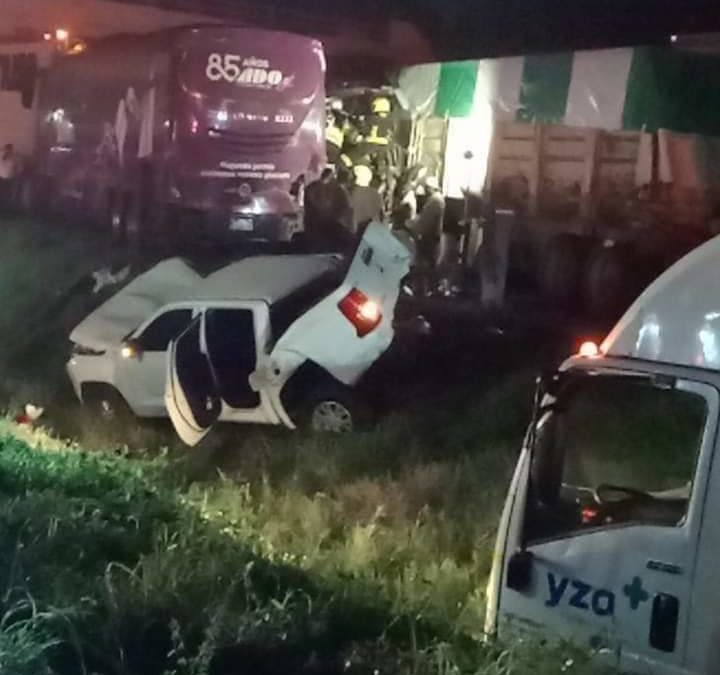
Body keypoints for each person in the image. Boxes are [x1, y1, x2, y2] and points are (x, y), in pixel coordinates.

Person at [408, 176, 445, 295]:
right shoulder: (438, 200)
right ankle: (430, 288)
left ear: (430, 188)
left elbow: (425, 221)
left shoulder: (434, 201)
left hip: (429, 238)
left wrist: (414, 228)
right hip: (433, 237)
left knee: (424, 265)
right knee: (429, 264)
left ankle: (425, 289)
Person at [303, 168, 353, 253]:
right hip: (331, 227)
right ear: (332, 176)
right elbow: (345, 208)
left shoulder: (311, 187)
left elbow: (307, 206)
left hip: (314, 226)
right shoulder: (339, 190)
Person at [350, 164, 384, 232]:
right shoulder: (376, 194)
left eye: (352, 176)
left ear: (356, 178)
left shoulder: (353, 192)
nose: (350, 177)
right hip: (370, 233)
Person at [0, 144, 18, 210]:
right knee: (5, 193)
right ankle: (4, 206)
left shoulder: (13, 157)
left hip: (9, 179)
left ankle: (6, 206)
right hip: (3, 178)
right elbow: (17, 167)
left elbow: (17, 167)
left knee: (7, 193)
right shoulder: (10, 156)